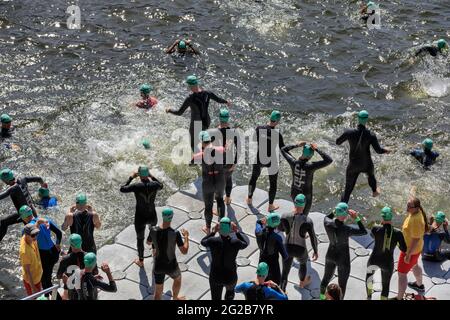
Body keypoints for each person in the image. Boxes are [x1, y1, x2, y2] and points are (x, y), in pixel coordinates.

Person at [166, 75, 231, 153]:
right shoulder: (207, 93)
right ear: (197, 83)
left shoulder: (190, 98)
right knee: (204, 139)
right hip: (206, 120)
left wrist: (169, 110)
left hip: (196, 124)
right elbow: (218, 100)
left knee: (194, 144)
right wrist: (226, 102)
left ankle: (198, 159)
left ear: (190, 86)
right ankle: (208, 154)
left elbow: (179, 112)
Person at [336, 110, 390, 203]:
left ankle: (341, 209)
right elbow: (378, 151)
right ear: (366, 120)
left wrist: (347, 137)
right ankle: (374, 191)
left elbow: (337, 142)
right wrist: (386, 150)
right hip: (366, 164)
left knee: (347, 191)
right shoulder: (371, 135)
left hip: (353, 165)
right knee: (371, 175)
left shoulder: (349, 132)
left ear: (358, 119)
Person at [320, 202, 367, 299]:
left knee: (325, 279)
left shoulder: (327, 223)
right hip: (343, 259)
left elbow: (328, 216)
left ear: (336, 212)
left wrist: (335, 211)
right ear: (346, 216)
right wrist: (356, 218)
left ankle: (322, 298)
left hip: (330, 255)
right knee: (342, 285)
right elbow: (363, 231)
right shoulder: (347, 229)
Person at [119, 166, 163, 267]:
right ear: (147, 174)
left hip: (140, 217)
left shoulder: (136, 186)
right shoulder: (155, 184)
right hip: (152, 215)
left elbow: (122, 189)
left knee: (140, 239)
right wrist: (152, 176)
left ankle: (141, 261)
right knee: (153, 232)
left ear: (139, 175)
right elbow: (161, 185)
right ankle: (154, 249)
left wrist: (131, 177)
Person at [201, 217, 248, 300]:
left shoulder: (213, 241)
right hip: (230, 277)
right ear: (230, 229)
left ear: (219, 229)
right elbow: (245, 243)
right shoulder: (235, 242)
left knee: (215, 298)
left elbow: (203, 241)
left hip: (215, 276)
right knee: (230, 294)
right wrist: (237, 232)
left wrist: (213, 232)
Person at [365, 207, 407, 300]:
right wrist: (397, 243)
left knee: (369, 278)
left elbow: (372, 236)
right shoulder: (398, 233)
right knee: (385, 285)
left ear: (382, 217)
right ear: (391, 217)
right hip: (387, 263)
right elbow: (404, 249)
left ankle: (369, 297)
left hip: (374, 260)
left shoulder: (375, 228)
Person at [247, 110, 285, 212]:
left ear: (270, 118)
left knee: (253, 178)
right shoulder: (277, 134)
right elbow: (283, 149)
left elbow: (255, 139)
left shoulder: (259, 128)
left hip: (259, 157)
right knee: (273, 184)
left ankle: (249, 199)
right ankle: (270, 205)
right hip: (271, 160)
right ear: (277, 121)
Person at [281, 141, 332, 215]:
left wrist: (297, 145)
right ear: (310, 156)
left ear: (303, 153)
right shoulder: (311, 166)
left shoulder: (293, 162)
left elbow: (283, 149)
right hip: (306, 196)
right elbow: (329, 160)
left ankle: (295, 219)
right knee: (303, 215)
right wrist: (317, 149)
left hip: (294, 192)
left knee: (297, 210)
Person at [279, 194, 318, 291]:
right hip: (300, 249)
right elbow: (313, 237)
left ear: (294, 203)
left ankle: (282, 291)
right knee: (303, 263)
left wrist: (288, 229)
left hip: (287, 247)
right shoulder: (308, 221)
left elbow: (280, 228)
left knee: (285, 273)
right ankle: (302, 282)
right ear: (304, 205)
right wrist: (315, 251)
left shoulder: (284, 216)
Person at [19, 205, 62, 294]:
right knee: (46, 279)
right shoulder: (46, 220)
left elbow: (25, 244)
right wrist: (57, 244)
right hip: (54, 253)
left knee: (46, 282)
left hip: (44, 256)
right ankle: (47, 295)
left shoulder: (27, 230)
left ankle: (56, 297)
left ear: (23, 218)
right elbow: (59, 233)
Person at [150, 208, 189, 300]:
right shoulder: (175, 233)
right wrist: (186, 237)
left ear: (162, 217)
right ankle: (175, 298)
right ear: (171, 218)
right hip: (171, 265)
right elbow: (184, 251)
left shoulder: (153, 230)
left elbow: (148, 242)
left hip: (158, 265)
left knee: (158, 291)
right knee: (178, 278)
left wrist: (155, 246)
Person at [193, 131, 226, 234]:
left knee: (208, 206)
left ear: (202, 142)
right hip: (220, 180)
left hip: (208, 182)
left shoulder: (200, 155)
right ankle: (221, 224)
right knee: (220, 200)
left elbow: (191, 162)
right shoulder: (221, 150)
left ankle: (208, 228)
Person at [0, 168, 46, 241]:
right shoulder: (23, 179)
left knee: (4, 222)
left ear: (5, 180)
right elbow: (39, 178)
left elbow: (1, 196)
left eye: (2, 180)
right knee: (35, 233)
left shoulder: (12, 189)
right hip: (32, 211)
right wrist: (43, 185)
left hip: (24, 215)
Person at [395, 197, 428, 300]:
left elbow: (416, 238)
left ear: (417, 208)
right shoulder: (416, 212)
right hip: (416, 250)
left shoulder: (416, 220)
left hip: (410, 250)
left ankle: (399, 298)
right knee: (415, 265)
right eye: (407, 205)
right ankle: (419, 285)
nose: (407, 208)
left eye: (410, 206)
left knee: (401, 274)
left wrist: (408, 254)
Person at [208, 108, 239, 205]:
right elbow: (239, 149)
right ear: (228, 118)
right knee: (228, 179)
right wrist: (235, 163)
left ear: (219, 118)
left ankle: (218, 204)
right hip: (229, 162)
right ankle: (228, 199)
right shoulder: (233, 132)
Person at [254, 212, 288, 285]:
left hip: (262, 259)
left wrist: (261, 221)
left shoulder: (258, 231)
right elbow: (285, 256)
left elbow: (258, 222)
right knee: (275, 282)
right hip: (273, 262)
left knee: (261, 280)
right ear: (277, 225)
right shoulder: (277, 238)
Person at [57, 234, 86, 300]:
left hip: (73, 292)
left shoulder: (65, 259)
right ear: (81, 242)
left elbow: (58, 276)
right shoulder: (88, 256)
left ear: (71, 245)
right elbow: (95, 272)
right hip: (86, 289)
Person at [20, 223, 43, 296]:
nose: (35, 237)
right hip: (32, 281)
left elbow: (36, 224)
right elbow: (27, 271)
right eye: (33, 235)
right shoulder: (25, 252)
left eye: (36, 233)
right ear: (26, 235)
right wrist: (33, 288)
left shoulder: (28, 237)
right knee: (35, 297)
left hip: (37, 276)